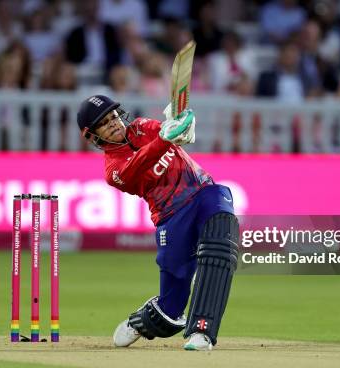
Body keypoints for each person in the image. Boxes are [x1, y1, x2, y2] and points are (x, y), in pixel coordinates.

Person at [76, 95, 240, 351]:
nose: (115, 123)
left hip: (203, 192)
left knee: (221, 241)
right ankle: (142, 321)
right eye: (106, 123)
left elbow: (170, 131)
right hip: (171, 217)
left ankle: (202, 332)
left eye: (115, 117)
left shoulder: (142, 126)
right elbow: (141, 160)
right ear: (93, 136)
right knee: (171, 307)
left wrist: (183, 124)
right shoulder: (113, 171)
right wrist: (166, 137)